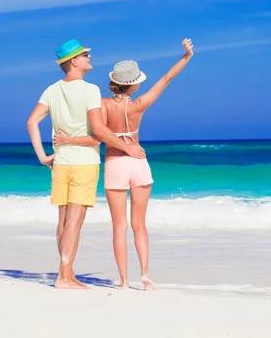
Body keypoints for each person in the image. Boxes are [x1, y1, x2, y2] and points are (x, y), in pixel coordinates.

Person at [54, 38, 194, 290]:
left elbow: (96, 135)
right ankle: (146, 276)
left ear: (114, 83)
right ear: (135, 84)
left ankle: (123, 281)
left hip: (115, 165)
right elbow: (166, 80)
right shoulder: (140, 105)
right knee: (139, 224)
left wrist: (67, 139)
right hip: (138, 162)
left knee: (119, 226)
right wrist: (186, 57)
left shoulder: (102, 105)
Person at [26, 39, 145, 290]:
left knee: (64, 219)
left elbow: (31, 122)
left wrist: (41, 155)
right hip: (83, 162)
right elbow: (99, 129)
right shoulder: (90, 90)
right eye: (84, 54)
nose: (89, 55)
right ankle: (64, 276)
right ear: (74, 62)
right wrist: (128, 147)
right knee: (75, 221)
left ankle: (66, 273)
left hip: (60, 162)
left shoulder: (51, 90)